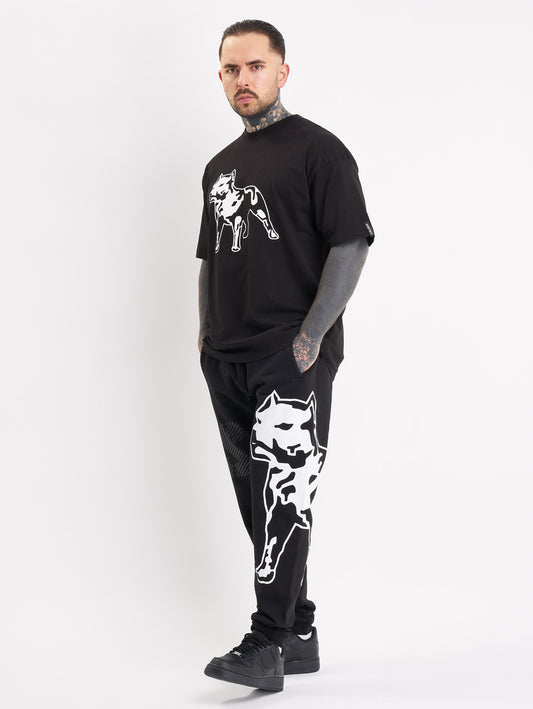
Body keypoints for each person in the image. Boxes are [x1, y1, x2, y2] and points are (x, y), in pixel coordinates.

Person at [196, 19, 375, 692]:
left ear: (281, 71)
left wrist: (310, 338)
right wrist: (205, 337)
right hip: (227, 355)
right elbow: (211, 256)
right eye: (230, 69)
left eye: (254, 66)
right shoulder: (219, 167)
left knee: (285, 493)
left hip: (288, 352)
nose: (242, 79)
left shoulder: (319, 151)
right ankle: (297, 630)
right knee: (257, 500)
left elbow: (350, 244)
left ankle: (266, 642)